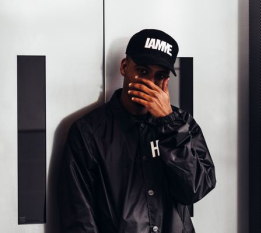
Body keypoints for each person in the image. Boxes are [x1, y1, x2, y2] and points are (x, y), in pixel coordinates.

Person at [58, 29, 216, 233]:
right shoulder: (88, 132)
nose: (150, 83)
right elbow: (79, 218)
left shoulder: (182, 124)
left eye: (160, 76)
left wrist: (168, 124)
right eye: (142, 71)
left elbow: (194, 189)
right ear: (125, 67)